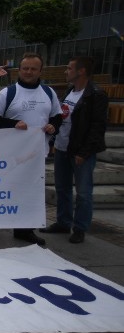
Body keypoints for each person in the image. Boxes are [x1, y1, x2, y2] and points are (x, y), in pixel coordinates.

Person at [0, 52, 63, 247]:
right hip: (8, 155)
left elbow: (57, 116)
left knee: (28, 193)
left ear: (40, 71)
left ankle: (24, 230)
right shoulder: (8, 93)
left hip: (36, 155)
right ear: (19, 70)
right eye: (25, 68)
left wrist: (53, 126)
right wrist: (13, 124)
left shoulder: (49, 93)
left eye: (33, 69)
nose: (29, 72)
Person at [40, 56, 108, 244]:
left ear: (81, 71)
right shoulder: (70, 91)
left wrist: (84, 152)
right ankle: (63, 221)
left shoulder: (95, 94)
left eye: (69, 68)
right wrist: (54, 141)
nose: (66, 71)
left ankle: (80, 227)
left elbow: (97, 127)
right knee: (62, 188)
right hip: (62, 147)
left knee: (84, 192)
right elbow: (62, 118)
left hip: (80, 151)